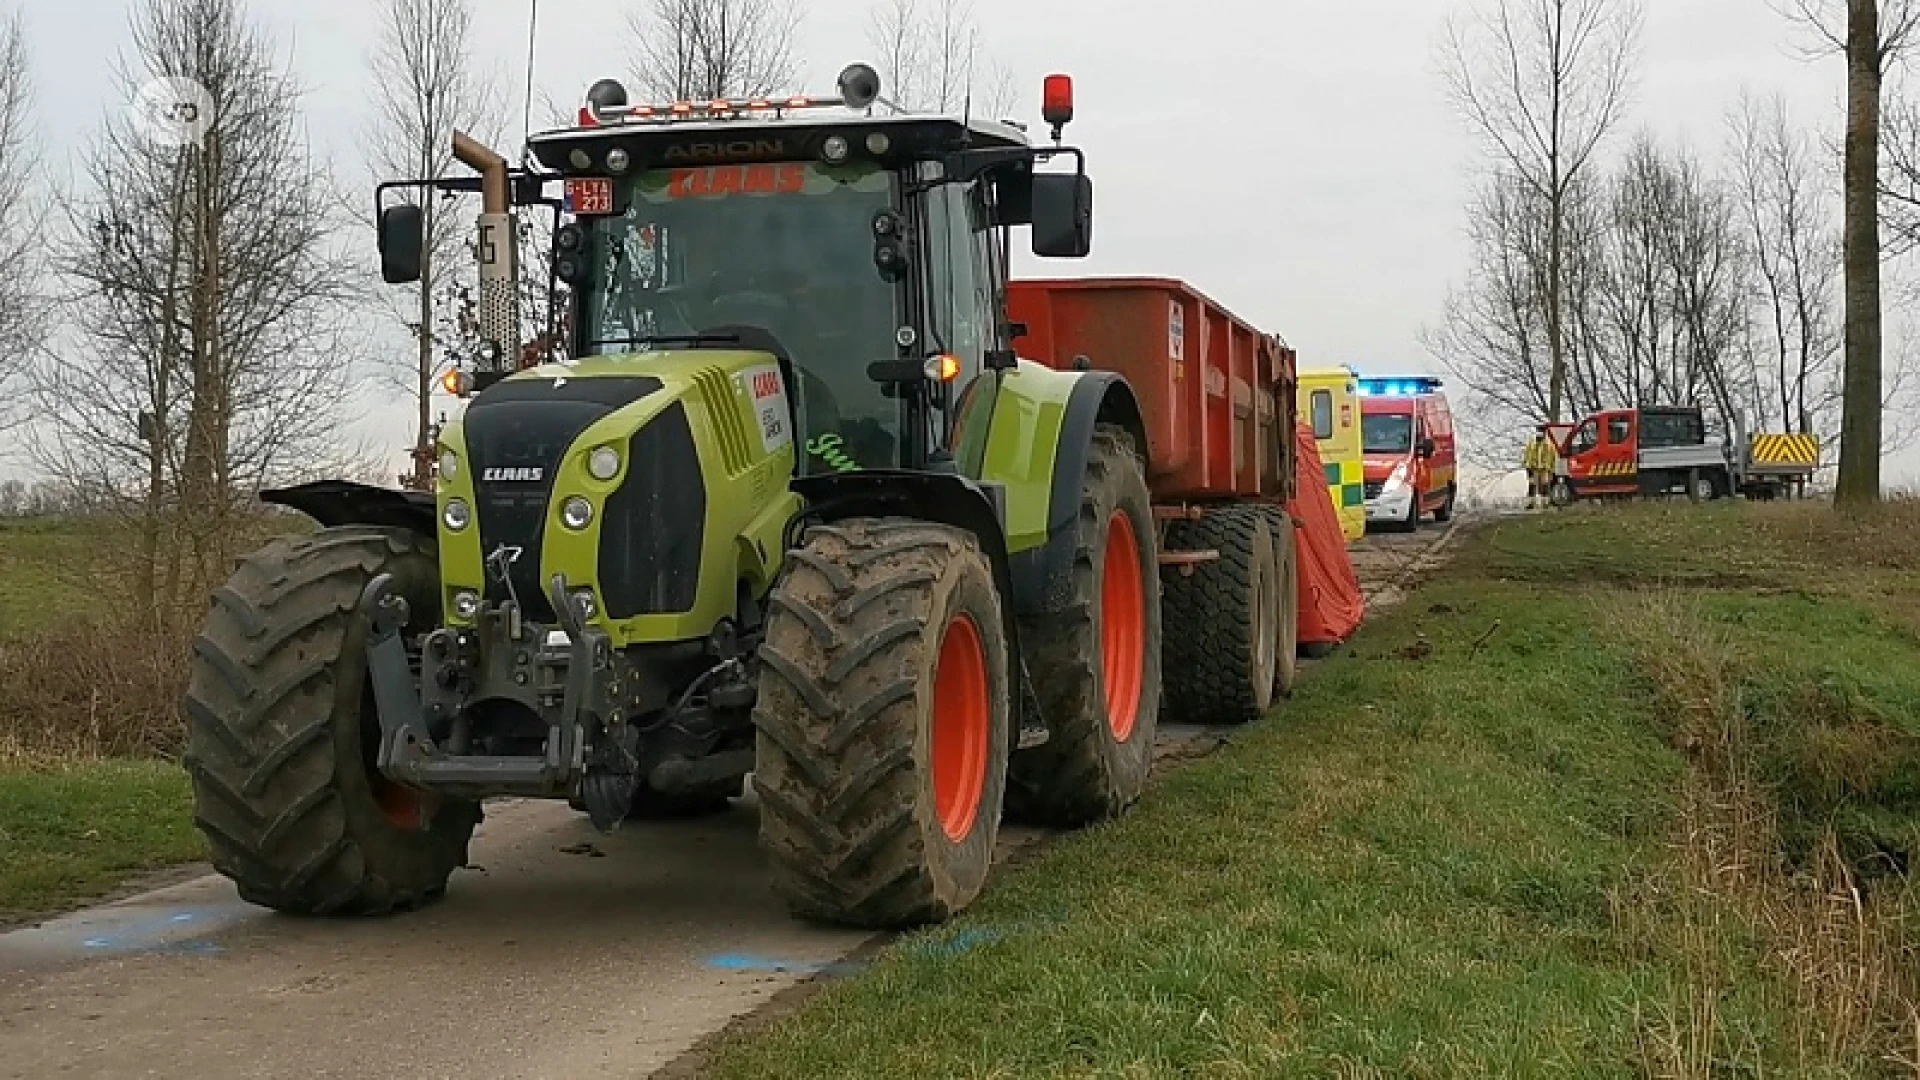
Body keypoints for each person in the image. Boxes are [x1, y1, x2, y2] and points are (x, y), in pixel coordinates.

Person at [1522, 426, 1556, 509]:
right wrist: (1527, 468)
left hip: (1545, 469)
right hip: (1533, 468)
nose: (1540, 434)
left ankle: (1545, 504)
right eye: (1539, 432)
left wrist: (1551, 471)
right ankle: (1530, 504)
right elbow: (1526, 456)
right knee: (1532, 486)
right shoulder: (1531, 444)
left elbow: (1552, 459)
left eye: (1542, 432)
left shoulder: (1549, 445)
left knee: (1544, 486)